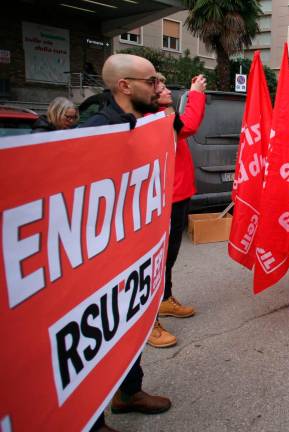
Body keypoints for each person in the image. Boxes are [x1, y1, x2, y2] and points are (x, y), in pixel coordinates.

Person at [80, 53, 172, 432]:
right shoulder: (96, 129)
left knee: (130, 322)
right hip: (101, 255)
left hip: (132, 250)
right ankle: (89, 419)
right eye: (151, 82)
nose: (158, 87)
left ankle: (128, 390)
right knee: (96, 338)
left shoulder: (142, 124)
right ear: (124, 86)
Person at [149, 73, 207, 348]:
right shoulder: (155, 117)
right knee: (159, 260)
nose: (165, 89)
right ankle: (148, 319)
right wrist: (195, 92)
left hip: (178, 194)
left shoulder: (164, 112)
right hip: (165, 198)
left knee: (169, 256)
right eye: (157, 85)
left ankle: (165, 299)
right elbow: (190, 124)